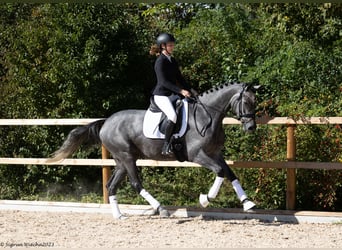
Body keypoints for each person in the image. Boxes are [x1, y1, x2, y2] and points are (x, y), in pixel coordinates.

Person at [150, 33, 193, 155]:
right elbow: (163, 82)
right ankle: (166, 145)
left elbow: (180, 78)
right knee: (172, 116)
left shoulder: (172, 60)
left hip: (171, 94)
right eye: (170, 45)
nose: (172, 47)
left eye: (173, 45)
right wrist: (181, 91)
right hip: (161, 95)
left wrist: (190, 90)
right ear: (163, 46)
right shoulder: (160, 62)